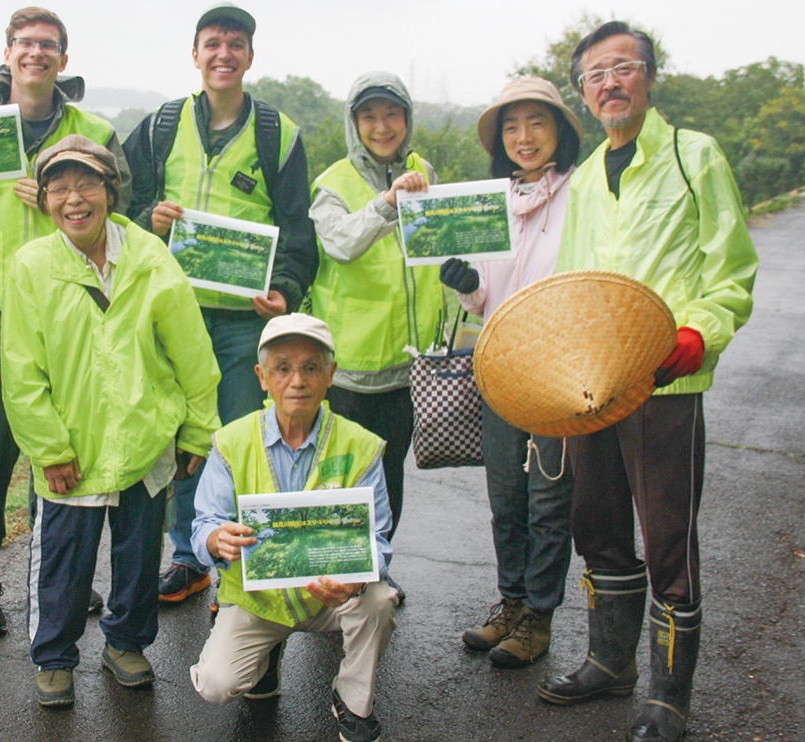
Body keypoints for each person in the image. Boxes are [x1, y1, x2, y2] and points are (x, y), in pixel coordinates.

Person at [535, 22, 758, 742]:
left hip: (667, 381)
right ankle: (610, 661)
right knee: (595, 524)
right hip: (596, 384)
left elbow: (730, 266)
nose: (610, 83)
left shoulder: (694, 156)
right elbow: (573, 285)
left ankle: (669, 695)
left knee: (668, 538)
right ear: (585, 92)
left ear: (649, 76)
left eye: (622, 68)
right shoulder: (589, 176)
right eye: (595, 75)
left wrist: (699, 333)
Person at [0, 135, 220, 708]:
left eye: (87, 184)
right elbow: (22, 373)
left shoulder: (150, 257)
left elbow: (192, 351)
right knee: (64, 562)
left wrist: (197, 429)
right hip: (73, 450)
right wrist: (49, 448)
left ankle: (125, 642)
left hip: (146, 441)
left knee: (139, 556)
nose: (75, 199)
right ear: (45, 199)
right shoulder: (30, 267)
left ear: (110, 191)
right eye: (60, 187)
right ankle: (54, 655)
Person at [123, 2, 317, 605]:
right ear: (196, 55)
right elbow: (119, 206)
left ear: (250, 57)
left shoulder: (276, 134)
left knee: (235, 438)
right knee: (177, 435)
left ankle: (245, 561)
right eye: (213, 44)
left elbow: (297, 229)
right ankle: (188, 556)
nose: (223, 54)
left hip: (239, 324)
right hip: (169, 314)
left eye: (235, 45)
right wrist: (145, 218)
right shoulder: (159, 126)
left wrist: (284, 289)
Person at [0, 6, 132, 636]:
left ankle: (57, 569)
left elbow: (127, 207)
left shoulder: (94, 128)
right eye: (25, 43)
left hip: (71, 309)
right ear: (7, 51)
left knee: (61, 447)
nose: (36, 53)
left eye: (49, 45)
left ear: (65, 58)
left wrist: (66, 196)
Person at [189, 313, 398, 742]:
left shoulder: (360, 444)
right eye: (283, 368)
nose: (297, 381)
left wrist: (356, 578)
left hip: (330, 597)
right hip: (259, 599)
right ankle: (265, 658)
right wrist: (214, 538)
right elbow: (204, 525)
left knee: (379, 598)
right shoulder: (231, 441)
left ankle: (353, 703)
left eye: (310, 367)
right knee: (216, 684)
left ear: (330, 375)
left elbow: (378, 540)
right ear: (262, 377)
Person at [438, 77, 582, 667]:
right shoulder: (490, 202)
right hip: (495, 369)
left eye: (536, 123)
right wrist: (468, 285)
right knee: (507, 498)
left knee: (549, 501)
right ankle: (511, 605)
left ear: (559, 131)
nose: (524, 137)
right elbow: (486, 295)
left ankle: (539, 619)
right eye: (512, 127)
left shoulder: (582, 195)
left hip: (557, 371)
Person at [306, 71, 441, 605]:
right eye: (369, 116)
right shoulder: (332, 182)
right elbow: (340, 243)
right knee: (341, 476)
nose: (381, 126)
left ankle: (376, 568)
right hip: (351, 367)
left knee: (389, 474)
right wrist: (387, 201)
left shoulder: (423, 170)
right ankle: (334, 576)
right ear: (353, 123)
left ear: (406, 120)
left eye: (392, 114)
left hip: (409, 363)